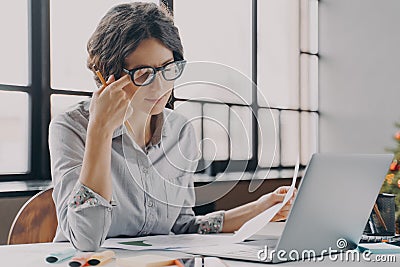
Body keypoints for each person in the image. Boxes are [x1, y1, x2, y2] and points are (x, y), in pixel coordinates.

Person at [49, 2, 295, 252]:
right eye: (143, 74)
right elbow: (86, 240)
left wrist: (260, 209)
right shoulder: (71, 127)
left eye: (168, 69)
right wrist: (100, 130)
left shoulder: (180, 131)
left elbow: (182, 227)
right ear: (107, 76)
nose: (159, 87)